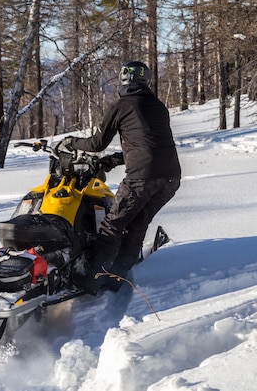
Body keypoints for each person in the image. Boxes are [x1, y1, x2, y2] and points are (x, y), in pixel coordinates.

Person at [63, 60, 181, 295]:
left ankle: (90, 278)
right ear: (145, 80)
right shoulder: (158, 106)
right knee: (137, 226)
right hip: (170, 178)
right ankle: (117, 278)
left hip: (141, 178)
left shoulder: (122, 105)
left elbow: (96, 143)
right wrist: (116, 159)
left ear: (123, 80)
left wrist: (71, 142)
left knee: (112, 225)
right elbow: (147, 145)